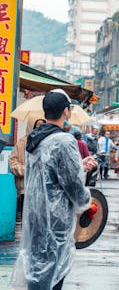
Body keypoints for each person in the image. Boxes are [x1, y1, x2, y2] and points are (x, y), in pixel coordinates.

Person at [11, 89, 97, 290]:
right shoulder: (63, 141)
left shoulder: (35, 139)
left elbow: (49, 174)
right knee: (52, 274)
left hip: (34, 215)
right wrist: (87, 202)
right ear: (66, 111)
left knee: (37, 271)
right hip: (55, 219)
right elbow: (73, 184)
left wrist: (79, 166)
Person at [9, 117, 45, 220]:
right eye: (38, 125)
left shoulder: (47, 142)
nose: (40, 128)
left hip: (42, 188)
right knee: (27, 220)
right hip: (26, 188)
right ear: (31, 126)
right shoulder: (21, 143)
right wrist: (26, 170)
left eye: (43, 125)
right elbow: (13, 163)